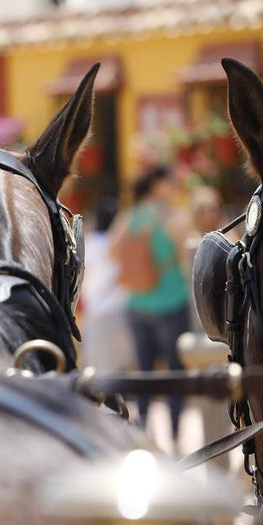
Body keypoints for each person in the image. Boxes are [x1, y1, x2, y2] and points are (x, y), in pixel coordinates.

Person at [110, 165, 192, 451]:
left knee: (144, 370)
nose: (175, 189)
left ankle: (144, 432)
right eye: (171, 183)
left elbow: (112, 251)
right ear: (158, 185)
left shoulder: (130, 216)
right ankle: (176, 436)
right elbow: (186, 255)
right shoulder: (172, 217)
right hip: (171, 301)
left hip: (137, 302)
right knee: (175, 371)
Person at [79, 195, 134, 372]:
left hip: (95, 307)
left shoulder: (90, 242)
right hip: (120, 304)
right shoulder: (118, 243)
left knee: (98, 366)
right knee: (123, 362)